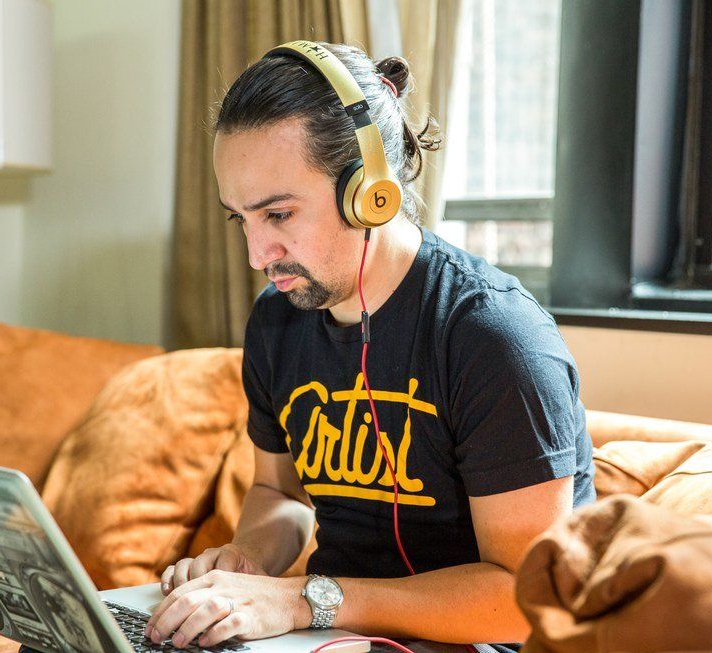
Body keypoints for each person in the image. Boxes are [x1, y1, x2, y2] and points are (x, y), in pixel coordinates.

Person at [144, 41, 595, 652]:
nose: (256, 256)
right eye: (240, 219)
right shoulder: (277, 319)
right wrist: (246, 562)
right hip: (333, 635)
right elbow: (279, 493)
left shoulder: (494, 338)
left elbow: (523, 600)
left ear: (369, 192)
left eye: (279, 214)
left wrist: (304, 600)